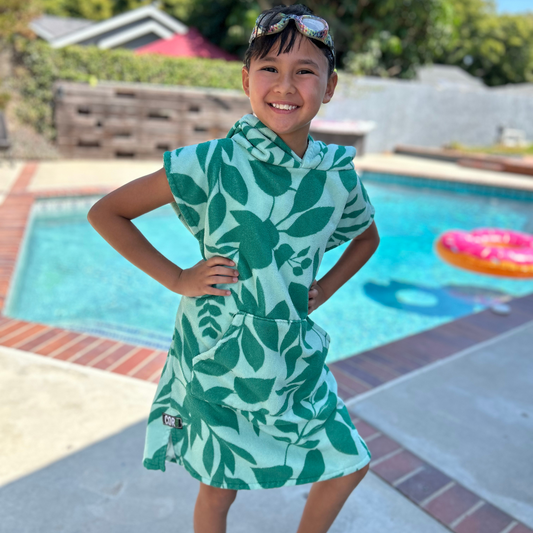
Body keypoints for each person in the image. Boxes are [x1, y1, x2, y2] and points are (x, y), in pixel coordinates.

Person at [87, 4, 380, 532]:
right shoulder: (212, 162)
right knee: (220, 486)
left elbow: (366, 237)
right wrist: (178, 278)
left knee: (348, 463)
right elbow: (107, 212)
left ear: (330, 87)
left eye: (305, 71)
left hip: (292, 356)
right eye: (269, 68)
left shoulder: (337, 177)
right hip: (219, 351)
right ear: (247, 80)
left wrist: (326, 287)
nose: (285, 85)